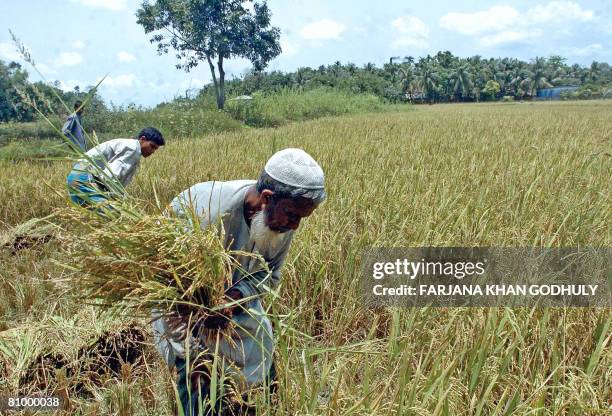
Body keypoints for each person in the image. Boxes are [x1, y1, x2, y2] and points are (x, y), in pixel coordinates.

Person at [152, 148, 326, 415]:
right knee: (198, 380)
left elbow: (268, 276)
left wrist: (233, 300)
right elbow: (168, 292)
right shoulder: (206, 215)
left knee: (262, 364)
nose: (295, 226)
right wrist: (192, 354)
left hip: (232, 302)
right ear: (267, 198)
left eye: (302, 218)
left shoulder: (280, 224)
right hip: (184, 309)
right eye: (293, 216)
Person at [66, 127, 164, 207]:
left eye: (155, 149)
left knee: (94, 219)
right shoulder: (133, 149)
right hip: (83, 178)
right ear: (142, 139)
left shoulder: (129, 145)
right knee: (114, 213)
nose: (153, 151)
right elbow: (110, 177)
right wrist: (119, 199)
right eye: (152, 146)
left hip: (77, 175)